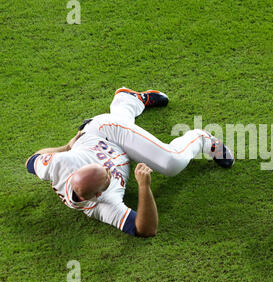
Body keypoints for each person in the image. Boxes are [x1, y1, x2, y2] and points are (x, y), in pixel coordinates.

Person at [26, 87, 234, 237]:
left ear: (76, 173)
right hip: (120, 148)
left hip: (103, 130)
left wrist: (67, 147)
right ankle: (126, 100)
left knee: (171, 163)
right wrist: (144, 187)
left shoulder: (60, 164)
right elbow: (146, 229)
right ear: (99, 194)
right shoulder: (103, 206)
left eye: (101, 166)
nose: (107, 167)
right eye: (107, 174)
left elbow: (32, 160)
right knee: (159, 155)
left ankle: (204, 140)